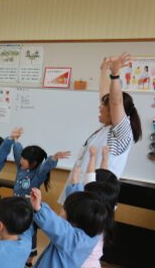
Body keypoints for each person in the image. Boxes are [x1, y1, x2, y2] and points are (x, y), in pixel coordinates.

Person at [59, 53, 142, 203]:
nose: (99, 107)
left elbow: (115, 101)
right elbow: (105, 94)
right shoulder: (106, 128)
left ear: (111, 110)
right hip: (81, 191)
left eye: (103, 106)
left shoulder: (122, 133)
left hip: (95, 198)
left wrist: (115, 75)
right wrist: (103, 70)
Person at [10, 133, 71, 268]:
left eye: (25, 159)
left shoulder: (37, 174)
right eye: (22, 157)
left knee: (29, 233)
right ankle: (18, 256)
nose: (21, 160)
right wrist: (16, 140)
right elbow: (17, 152)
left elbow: (45, 167)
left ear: (34, 162)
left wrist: (54, 158)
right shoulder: (20, 168)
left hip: (29, 210)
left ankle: (29, 262)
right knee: (17, 231)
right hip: (16, 208)